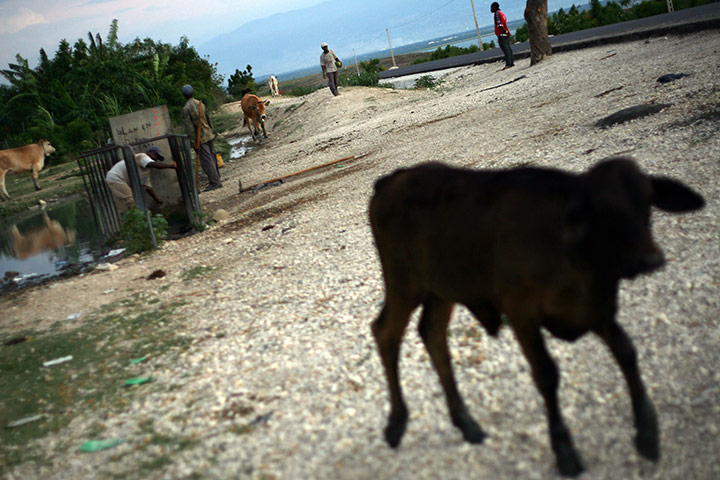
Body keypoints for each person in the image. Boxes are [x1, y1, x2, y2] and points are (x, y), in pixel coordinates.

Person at [105, 146, 175, 215]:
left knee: (124, 207)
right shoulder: (142, 156)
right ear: (151, 152)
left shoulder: (145, 171)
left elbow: (148, 187)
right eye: (156, 156)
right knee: (131, 201)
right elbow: (152, 164)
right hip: (116, 178)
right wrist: (171, 166)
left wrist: (156, 200)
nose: (156, 159)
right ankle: (142, 221)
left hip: (115, 179)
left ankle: (131, 223)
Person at [181, 84, 222, 191]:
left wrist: (194, 143)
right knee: (212, 157)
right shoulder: (200, 104)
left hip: (200, 139)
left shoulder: (186, 109)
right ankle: (217, 178)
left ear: (184, 95)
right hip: (209, 133)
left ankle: (215, 182)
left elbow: (189, 128)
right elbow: (208, 119)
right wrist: (212, 131)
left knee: (206, 160)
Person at [491, 2, 515, 70]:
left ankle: (508, 64)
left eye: (491, 7)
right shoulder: (501, 13)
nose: (491, 9)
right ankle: (511, 62)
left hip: (502, 34)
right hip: (505, 34)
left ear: (494, 7)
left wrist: (505, 31)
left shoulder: (497, 14)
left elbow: (500, 25)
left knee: (506, 49)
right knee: (508, 48)